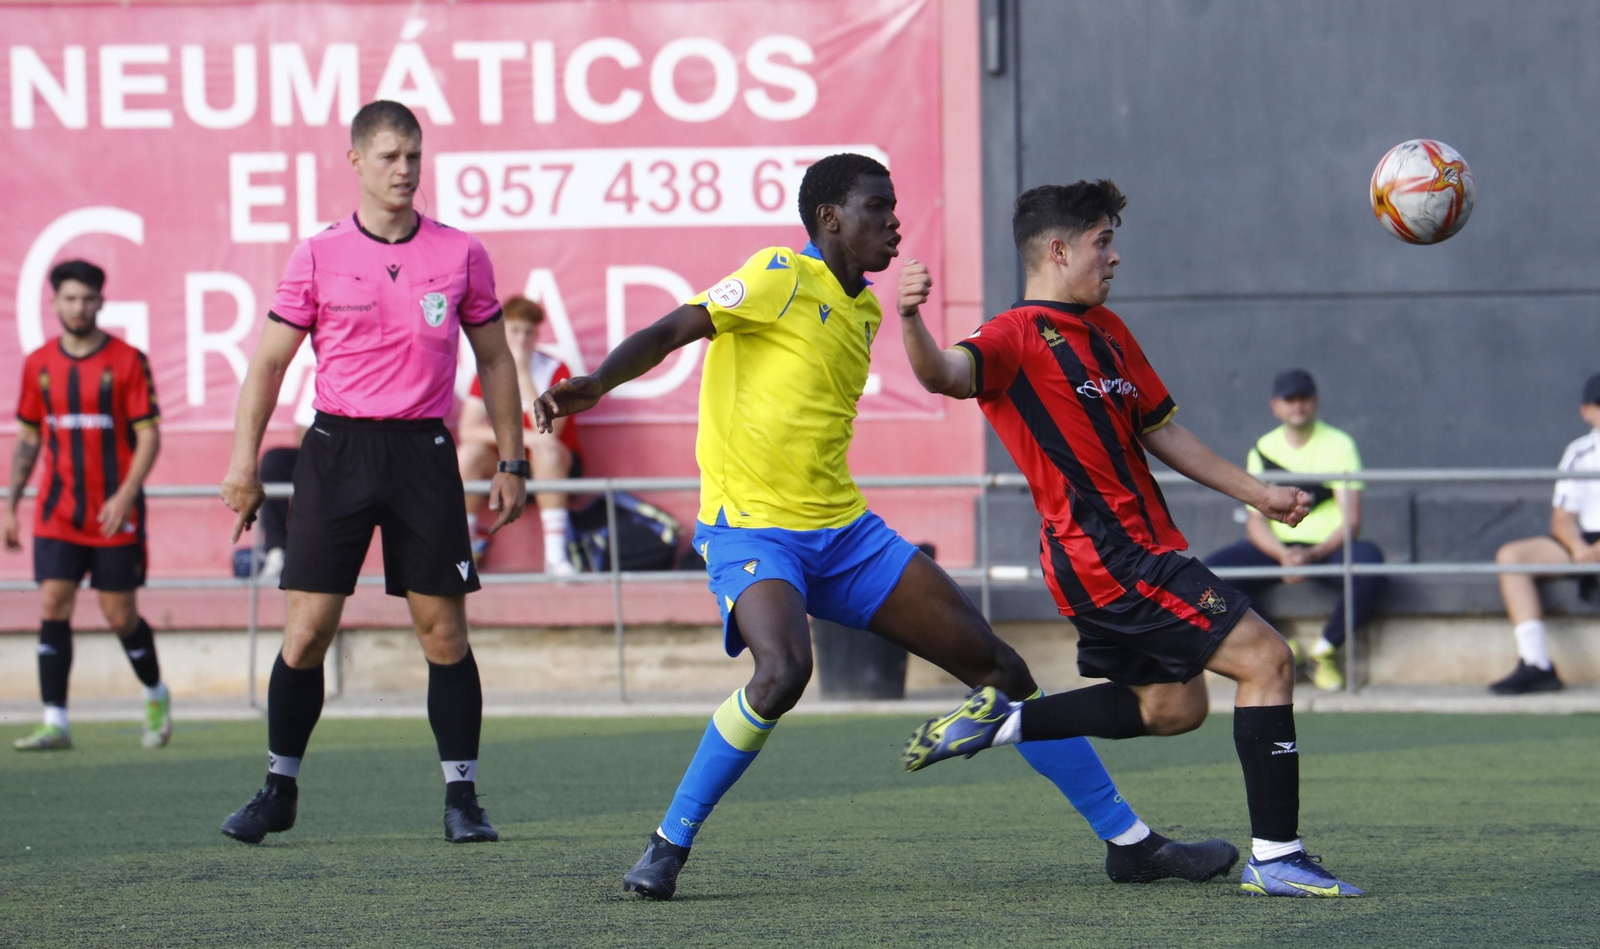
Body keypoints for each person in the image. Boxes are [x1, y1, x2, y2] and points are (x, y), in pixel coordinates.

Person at [535, 154, 1238, 901]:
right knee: (782, 672)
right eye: (878, 207)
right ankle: (668, 843)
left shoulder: (867, 311)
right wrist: (598, 383)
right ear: (830, 218)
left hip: (845, 534)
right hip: (753, 532)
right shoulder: (779, 273)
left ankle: (1130, 844)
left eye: (896, 207)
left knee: (1003, 673)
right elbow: (673, 327)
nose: (895, 222)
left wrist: (908, 317)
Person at [896, 181, 1362, 897]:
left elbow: (1163, 431)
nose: (1114, 257)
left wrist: (1261, 494)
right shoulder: (1013, 334)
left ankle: (1001, 722)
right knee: (1267, 658)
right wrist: (910, 318)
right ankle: (1277, 858)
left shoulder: (1109, 331)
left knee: (1173, 709)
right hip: (1108, 556)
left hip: (1134, 553)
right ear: (1059, 250)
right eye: (1102, 242)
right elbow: (943, 374)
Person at [218, 101, 528, 845]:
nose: (404, 170)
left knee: (442, 632)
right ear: (356, 160)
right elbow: (268, 364)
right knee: (307, 633)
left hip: (423, 452)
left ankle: (462, 799)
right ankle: (278, 789)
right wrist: (243, 464)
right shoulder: (317, 254)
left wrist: (513, 458)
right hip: (337, 452)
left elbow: (493, 359)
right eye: (390, 156)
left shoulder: (460, 252)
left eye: (414, 156)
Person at [5, 259, 172, 751]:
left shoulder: (127, 360)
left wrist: (126, 494)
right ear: (54, 302)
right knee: (53, 603)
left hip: (114, 514)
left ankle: (155, 693)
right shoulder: (38, 364)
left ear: (101, 301)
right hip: (57, 512)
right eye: (70, 298)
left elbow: (149, 436)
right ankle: (55, 721)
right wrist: (10, 505)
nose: (78, 307)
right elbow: (29, 438)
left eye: (87, 298)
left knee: (119, 615)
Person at [1202, 369, 1384, 691]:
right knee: (1210, 577)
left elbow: (1351, 521)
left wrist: (1310, 555)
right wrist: (1283, 555)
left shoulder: (1340, 444)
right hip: (1278, 548)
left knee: (1370, 564)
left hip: (1325, 548)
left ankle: (1325, 650)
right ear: (1276, 406)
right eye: (1290, 399)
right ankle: (1281, 646)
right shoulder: (1263, 447)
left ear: (1316, 402)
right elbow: (1256, 521)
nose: (1297, 405)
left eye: (1304, 398)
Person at [1487, 373, 1600, 695]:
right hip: (1585, 540)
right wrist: (1577, 547)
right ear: (1586, 412)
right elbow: (1562, 519)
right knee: (1512, 557)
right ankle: (1536, 664)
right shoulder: (1580, 452)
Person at [457, 295, 581, 574]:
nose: (522, 339)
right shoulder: (488, 370)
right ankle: (464, 550)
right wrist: (520, 439)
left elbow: (547, 433)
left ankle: (555, 557)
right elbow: (468, 430)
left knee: (545, 451)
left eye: (529, 332)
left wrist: (522, 373)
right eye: (515, 330)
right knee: (468, 454)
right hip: (507, 462)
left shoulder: (556, 370)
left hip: (553, 464)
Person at [252, 372, 317, 582]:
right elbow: (303, 428)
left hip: (371, 453)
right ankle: (277, 551)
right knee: (274, 462)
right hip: (328, 455)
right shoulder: (325, 369)